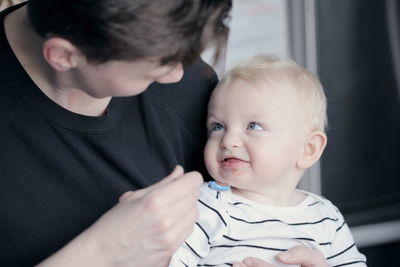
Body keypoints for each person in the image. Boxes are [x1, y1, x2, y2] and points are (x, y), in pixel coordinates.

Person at [0, 1, 331, 266]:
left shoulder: (190, 83)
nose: (177, 75)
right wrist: (100, 252)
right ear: (64, 56)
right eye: (155, 68)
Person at [169, 55, 367, 267]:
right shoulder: (206, 204)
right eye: (218, 126)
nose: (229, 140)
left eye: (253, 126)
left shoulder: (327, 218)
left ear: (308, 149)